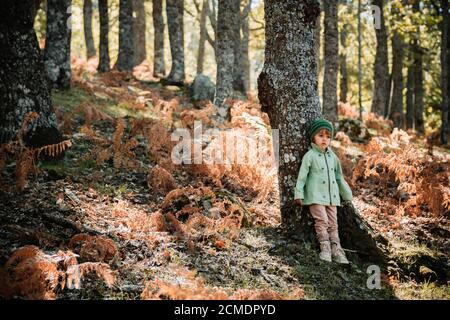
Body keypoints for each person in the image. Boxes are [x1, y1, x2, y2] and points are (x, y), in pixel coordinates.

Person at [294, 119, 353, 264]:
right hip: (315, 196)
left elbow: (339, 177)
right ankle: (325, 249)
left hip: (332, 197)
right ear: (313, 137)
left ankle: (337, 250)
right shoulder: (310, 156)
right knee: (322, 221)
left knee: (333, 223)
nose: (324, 139)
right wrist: (299, 194)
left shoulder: (333, 157)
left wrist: (347, 194)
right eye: (320, 135)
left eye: (327, 136)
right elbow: (302, 177)